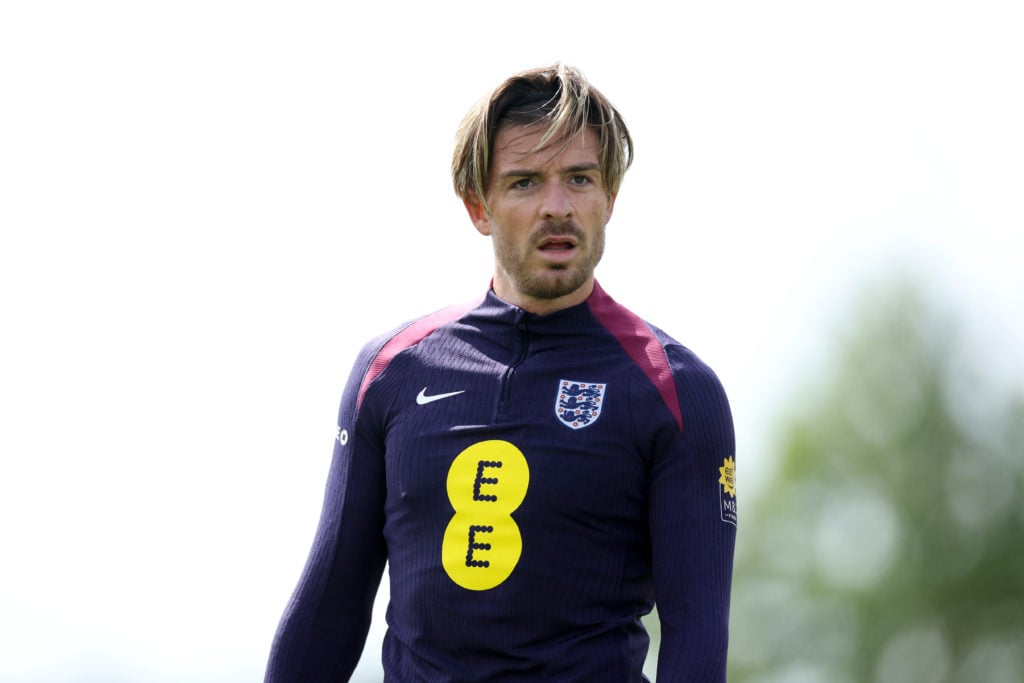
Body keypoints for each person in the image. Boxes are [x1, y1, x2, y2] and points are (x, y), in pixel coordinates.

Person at [264, 63, 737, 682]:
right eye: (524, 183)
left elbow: (696, 640)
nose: (558, 207)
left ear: (609, 198)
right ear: (477, 207)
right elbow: (330, 608)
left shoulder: (676, 391)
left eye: (579, 179)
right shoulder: (390, 374)